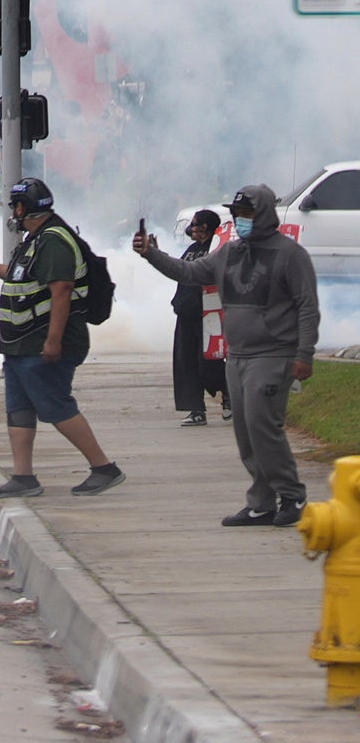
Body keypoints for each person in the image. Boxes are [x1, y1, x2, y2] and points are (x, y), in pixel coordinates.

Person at [135, 186, 322, 527]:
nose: (239, 221)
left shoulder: (291, 255)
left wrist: (304, 354)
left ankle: (292, 496)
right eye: (236, 215)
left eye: (246, 214)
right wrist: (151, 255)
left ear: (264, 213)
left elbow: (308, 307)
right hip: (237, 356)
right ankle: (262, 503)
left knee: (263, 426)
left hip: (273, 353)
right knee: (245, 432)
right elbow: (189, 273)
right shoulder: (229, 253)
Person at [0, 177, 122, 500]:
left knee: (55, 405)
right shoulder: (36, 239)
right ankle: (23, 477)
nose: (13, 213)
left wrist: (53, 341)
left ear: (24, 207)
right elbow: (19, 274)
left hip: (44, 344)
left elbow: (61, 290)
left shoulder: (54, 240)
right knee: (19, 409)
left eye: (15, 206)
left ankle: (104, 467)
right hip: (21, 345)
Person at [147, 207, 223, 427]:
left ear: (206, 227)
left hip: (207, 313)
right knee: (185, 362)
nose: (192, 229)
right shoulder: (192, 249)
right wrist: (156, 254)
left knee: (209, 363)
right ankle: (196, 409)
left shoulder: (216, 250)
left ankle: (228, 395)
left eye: (196, 223)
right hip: (186, 311)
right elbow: (179, 269)